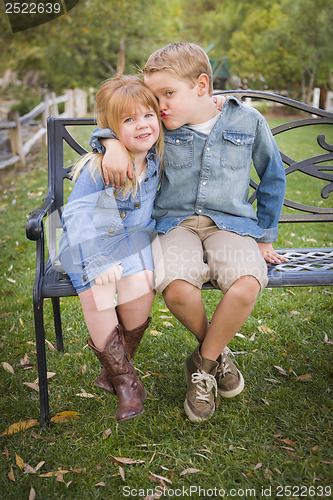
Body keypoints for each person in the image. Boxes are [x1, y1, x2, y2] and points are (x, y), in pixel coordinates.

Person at [90, 43, 288, 423]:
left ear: (201, 85)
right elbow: (120, 118)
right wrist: (110, 142)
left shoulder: (247, 120)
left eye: (168, 94)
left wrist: (265, 236)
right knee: (179, 290)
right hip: (175, 224)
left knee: (247, 284)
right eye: (155, 96)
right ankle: (219, 354)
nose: (160, 106)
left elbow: (273, 178)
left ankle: (205, 364)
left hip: (230, 225)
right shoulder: (161, 124)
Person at [58, 75, 163, 423]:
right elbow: (76, 217)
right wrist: (100, 259)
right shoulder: (101, 165)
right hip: (87, 241)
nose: (143, 125)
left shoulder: (156, 159)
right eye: (129, 120)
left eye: (148, 115)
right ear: (112, 130)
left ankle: (116, 366)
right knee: (100, 289)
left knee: (142, 281)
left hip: (132, 240)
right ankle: (126, 383)